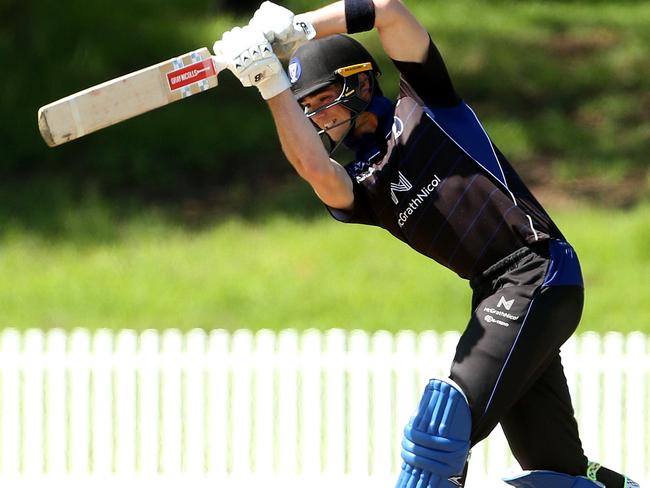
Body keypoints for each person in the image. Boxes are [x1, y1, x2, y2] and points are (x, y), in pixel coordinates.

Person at [213, 1, 640, 487]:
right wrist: (271, 84)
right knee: (557, 474)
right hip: (499, 295)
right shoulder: (364, 187)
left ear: (361, 83)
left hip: (535, 269)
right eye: (306, 108)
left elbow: (389, 12)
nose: (316, 117)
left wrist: (302, 27)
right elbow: (313, 168)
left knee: (439, 433)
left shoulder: (426, 103)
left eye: (323, 98)